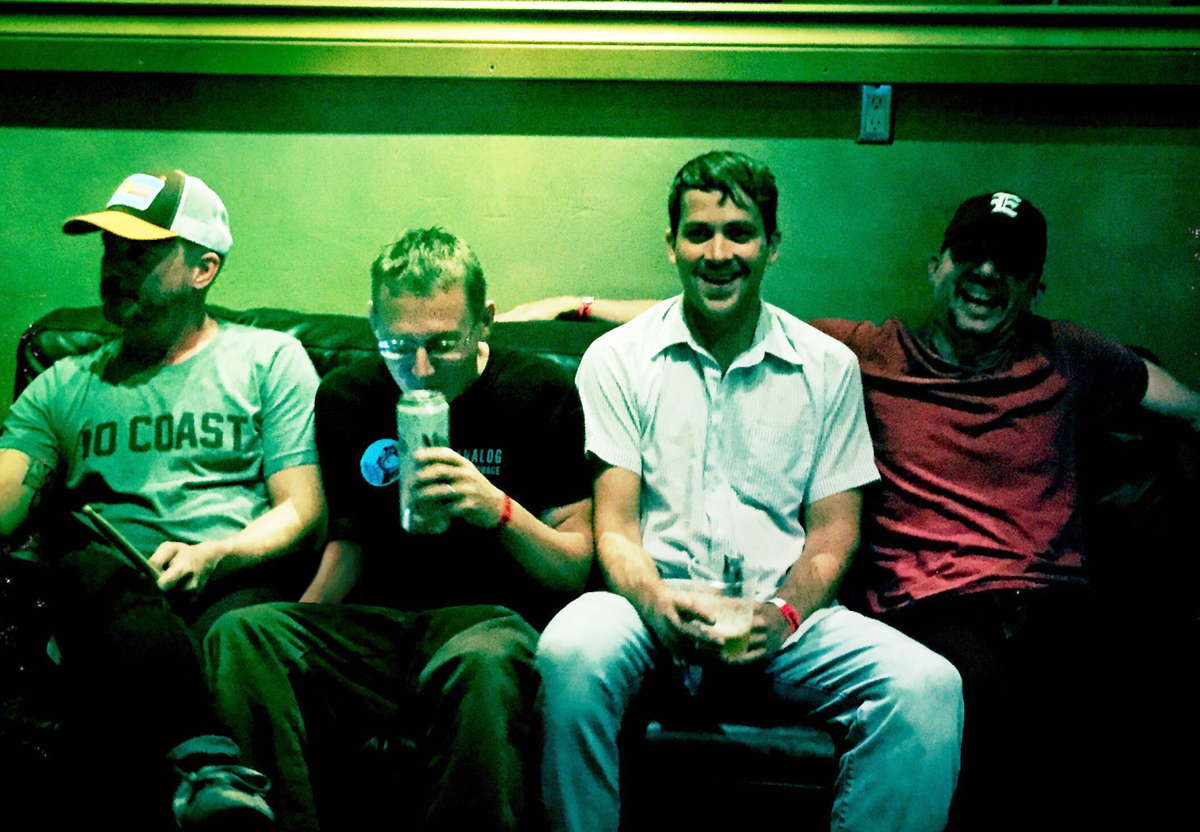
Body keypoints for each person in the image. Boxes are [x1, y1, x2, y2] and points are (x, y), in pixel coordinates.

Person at [516, 190, 1200, 829]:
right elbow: (724, 309)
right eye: (971, 255)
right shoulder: (867, 353)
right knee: (970, 691)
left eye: (1012, 264)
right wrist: (580, 306)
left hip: (1055, 605)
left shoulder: (1071, 355)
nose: (988, 274)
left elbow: (1180, 402)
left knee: (1135, 692)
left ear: (1036, 286)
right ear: (937, 267)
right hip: (938, 602)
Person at [536, 150, 964, 832]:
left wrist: (786, 613)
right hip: (650, 613)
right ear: (671, 244)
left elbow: (834, 532)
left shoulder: (826, 367)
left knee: (928, 687)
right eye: (698, 233)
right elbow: (614, 527)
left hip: (782, 623)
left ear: (772, 245)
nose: (718, 253)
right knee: (570, 650)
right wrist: (655, 603)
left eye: (739, 233)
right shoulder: (617, 359)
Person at [204, 227, 594, 832]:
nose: (419, 368)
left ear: (484, 322)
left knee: (484, 665)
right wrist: (302, 630)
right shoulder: (349, 395)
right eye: (397, 344)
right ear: (373, 321)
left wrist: (498, 509)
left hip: (484, 623)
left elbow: (573, 564)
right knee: (243, 634)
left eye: (443, 344)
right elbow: (350, 545)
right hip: (375, 628)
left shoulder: (538, 392)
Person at [0, 169, 326, 829]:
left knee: (238, 634)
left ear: (204, 269)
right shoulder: (63, 385)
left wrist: (216, 555)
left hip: (228, 586)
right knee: (84, 569)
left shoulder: (268, 360)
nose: (115, 267)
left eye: (140, 251)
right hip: (107, 596)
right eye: (110, 249)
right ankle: (212, 772)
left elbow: (302, 508)